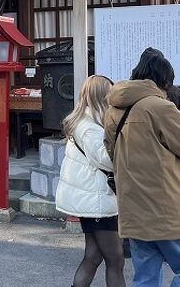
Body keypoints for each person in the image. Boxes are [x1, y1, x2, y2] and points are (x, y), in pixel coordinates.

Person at [104, 50, 180, 287]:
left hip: (134, 208)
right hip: (167, 209)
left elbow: (112, 152)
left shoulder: (113, 111)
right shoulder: (159, 107)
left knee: (146, 277)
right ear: (164, 80)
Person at [56, 75, 125, 287]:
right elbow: (108, 160)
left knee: (94, 256)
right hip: (97, 202)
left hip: (93, 200)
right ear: (102, 97)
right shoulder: (89, 128)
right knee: (116, 259)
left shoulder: (85, 122)